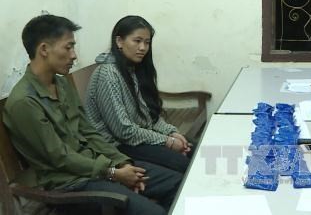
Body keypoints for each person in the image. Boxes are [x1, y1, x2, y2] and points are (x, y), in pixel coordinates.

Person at [2, 14, 182, 215]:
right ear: (44, 49)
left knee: (178, 184)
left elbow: (88, 130)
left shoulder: (60, 83)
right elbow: (60, 158)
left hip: (98, 167)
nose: (74, 55)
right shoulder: (25, 102)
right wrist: (113, 172)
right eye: (68, 47)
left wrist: (122, 162)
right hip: (71, 185)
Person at [85, 15, 193, 174]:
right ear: (119, 41)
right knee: (185, 165)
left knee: (195, 149)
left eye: (147, 42)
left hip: (137, 138)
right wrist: (167, 142)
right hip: (117, 147)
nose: (143, 47)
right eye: (137, 41)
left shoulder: (133, 69)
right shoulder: (108, 74)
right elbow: (123, 131)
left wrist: (172, 132)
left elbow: (148, 116)